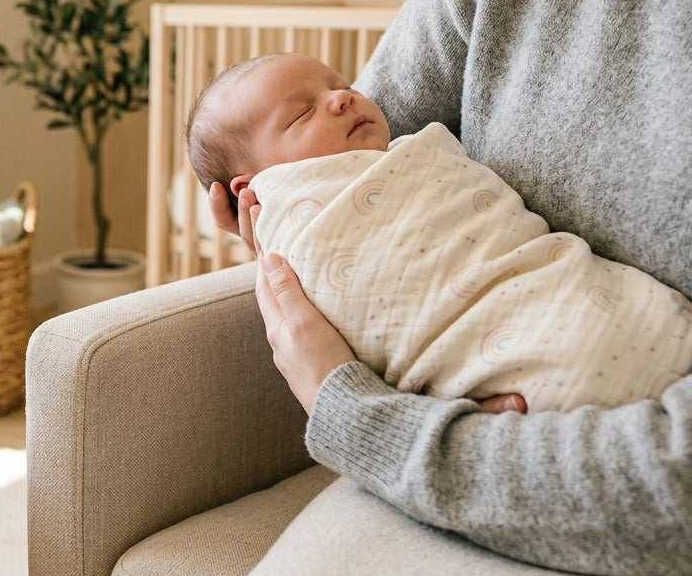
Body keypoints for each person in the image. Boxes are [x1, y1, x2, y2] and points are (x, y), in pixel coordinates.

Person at [205, 0, 692, 576]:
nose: (338, 97)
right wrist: (292, 227)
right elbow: (361, 167)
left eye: (330, 88)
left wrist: (370, 423)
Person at [188, 51, 692, 413]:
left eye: (341, 86)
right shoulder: (296, 242)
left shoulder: (414, 160)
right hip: (522, 382)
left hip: (569, 292)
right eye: (302, 112)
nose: (342, 97)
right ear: (253, 187)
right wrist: (282, 228)